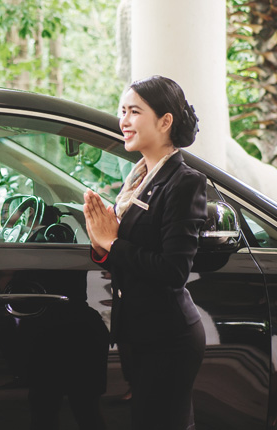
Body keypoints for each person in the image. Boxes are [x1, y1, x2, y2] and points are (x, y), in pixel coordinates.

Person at [83, 75, 207, 430]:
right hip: (138, 332)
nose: (123, 121)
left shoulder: (184, 182)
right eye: (122, 111)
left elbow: (173, 271)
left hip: (168, 337)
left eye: (134, 112)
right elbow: (127, 253)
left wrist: (113, 243)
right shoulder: (138, 180)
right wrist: (100, 244)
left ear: (165, 121)